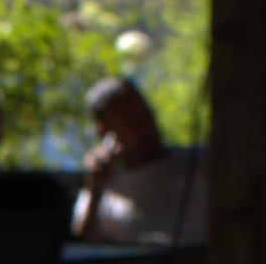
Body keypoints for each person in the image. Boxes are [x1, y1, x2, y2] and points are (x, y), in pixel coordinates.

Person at [73, 76, 203, 246]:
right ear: (104, 130)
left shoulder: (200, 161)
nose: (145, 125)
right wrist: (96, 190)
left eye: (146, 113)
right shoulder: (102, 190)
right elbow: (84, 243)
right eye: (131, 121)